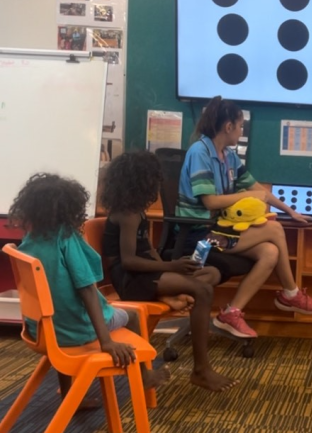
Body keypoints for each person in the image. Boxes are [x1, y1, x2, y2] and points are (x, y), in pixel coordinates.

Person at [8, 173, 170, 408]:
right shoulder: (66, 239)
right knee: (134, 315)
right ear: (70, 209)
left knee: (85, 308)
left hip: (43, 331)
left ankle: (69, 393)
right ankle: (145, 377)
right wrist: (106, 342)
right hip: (74, 332)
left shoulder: (30, 240)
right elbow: (87, 292)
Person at [178, 96, 312, 338]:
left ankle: (231, 313)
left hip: (219, 230)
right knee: (275, 231)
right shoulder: (200, 152)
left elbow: (260, 192)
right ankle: (291, 294)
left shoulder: (230, 157)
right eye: (240, 126)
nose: (241, 130)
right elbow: (211, 202)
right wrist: (247, 197)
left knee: (271, 252)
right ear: (228, 127)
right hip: (197, 236)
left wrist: (290, 212)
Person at [100, 151, 239, 392]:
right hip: (129, 279)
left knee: (205, 275)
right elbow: (130, 262)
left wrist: (174, 269)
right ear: (142, 180)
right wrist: (170, 267)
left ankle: (168, 295)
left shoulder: (136, 210)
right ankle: (201, 370)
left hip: (143, 274)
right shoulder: (128, 214)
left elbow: (147, 251)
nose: (157, 184)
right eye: (154, 179)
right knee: (202, 290)